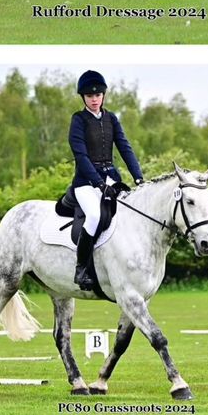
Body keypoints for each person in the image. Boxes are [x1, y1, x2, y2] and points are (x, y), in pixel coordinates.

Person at [68, 71, 144, 292]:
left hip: (112, 179)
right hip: (85, 183)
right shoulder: (78, 120)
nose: (94, 99)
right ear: (83, 97)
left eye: (98, 95)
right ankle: (81, 268)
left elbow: (125, 147)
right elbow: (81, 156)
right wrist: (98, 183)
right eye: (90, 96)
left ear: (103, 96)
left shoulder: (111, 118)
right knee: (94, 216)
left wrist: (138, 177)